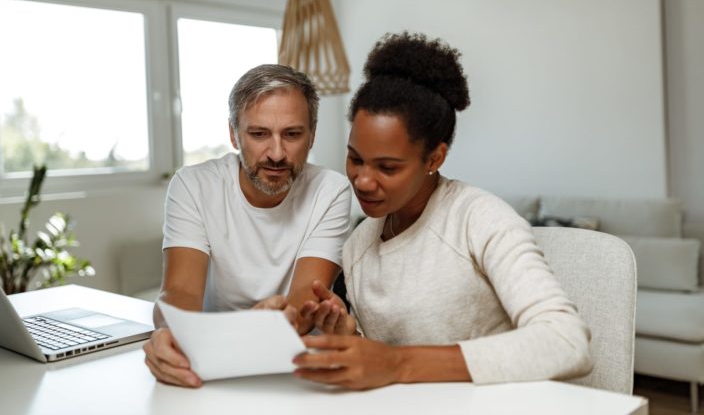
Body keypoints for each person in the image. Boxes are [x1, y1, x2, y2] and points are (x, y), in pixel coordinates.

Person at [293, 33, 593, 390]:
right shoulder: (359, 244)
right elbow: (387, 364)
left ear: (435, 158)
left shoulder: (479, 219)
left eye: (387, 167)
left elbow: (567, 342)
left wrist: (397, 363)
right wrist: (351, 337)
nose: (363, 181)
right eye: (355, 159)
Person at [144, 64, 352, 387]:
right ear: (233, 134)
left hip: (294, 368)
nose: (277, 154)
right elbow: (179, 291)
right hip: (210, 364)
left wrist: (253, 332)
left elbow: (305, 299)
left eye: (292, 134)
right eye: (259, 134)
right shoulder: (192, 185)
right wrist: (169, 332)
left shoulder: (331, 190)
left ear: (312, 134)